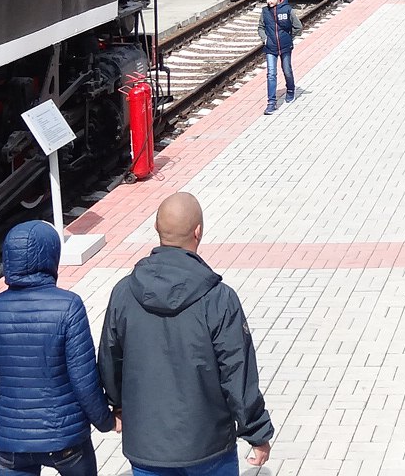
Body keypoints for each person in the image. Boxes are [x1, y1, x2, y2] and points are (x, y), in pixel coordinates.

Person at [99, 194, 275, 476]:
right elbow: (237, 372)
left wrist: (117, 405)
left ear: (157, 228)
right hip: (209, 446)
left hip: (147, 446)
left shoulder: (124, 292)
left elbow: (110, 358)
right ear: (198, 232)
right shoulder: (219, 298)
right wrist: (257, 432)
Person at [0, 222, 115, 476]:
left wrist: (9, 423)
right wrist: (105, 421)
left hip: (12, 443)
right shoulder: (68, 305)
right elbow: (83, 380)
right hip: (66, 439)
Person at [258, 0, 296, 115]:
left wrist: (290, 38)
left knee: (287, 70)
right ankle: (271, 103)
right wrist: (265, 39)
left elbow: (298, 27)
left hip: (285, 46)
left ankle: (290, 90)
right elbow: (261, 27)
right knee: (271, 74)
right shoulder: (265, 12)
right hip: (270, 47)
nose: (268, 2)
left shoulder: (287, 10)